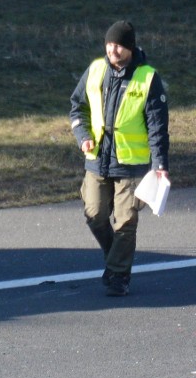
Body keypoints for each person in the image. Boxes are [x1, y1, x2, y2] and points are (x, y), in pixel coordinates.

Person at [69, 20, 170, 296]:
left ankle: (118, 276)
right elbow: (77, 108)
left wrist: (160, 164)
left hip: (130, 165)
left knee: (126, 222)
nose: (113, 50)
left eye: (119, 45)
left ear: (130, 47)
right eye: (110, 44)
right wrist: (83, 137)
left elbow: (157, 127)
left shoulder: (148, 78)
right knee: (94, 214)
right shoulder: (95, 70)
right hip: (97, 160)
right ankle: (116, 259)